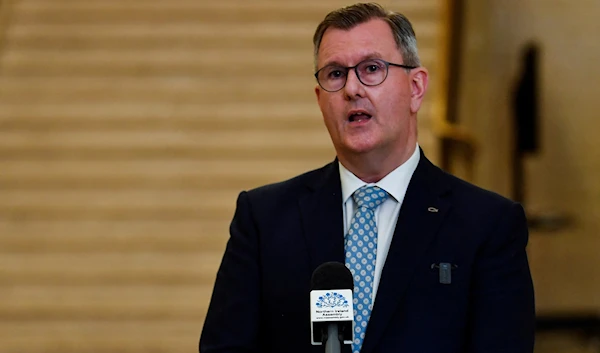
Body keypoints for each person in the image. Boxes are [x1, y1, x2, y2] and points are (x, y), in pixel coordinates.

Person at [199, 3, 535, 353]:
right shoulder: (263, 218)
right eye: (335, 74)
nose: (352, 89)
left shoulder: (487, 225)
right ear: (320, 100)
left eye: (371, 69)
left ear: (416, 88)